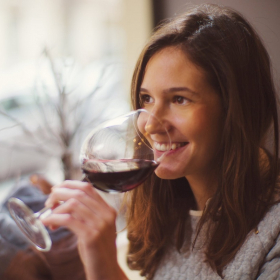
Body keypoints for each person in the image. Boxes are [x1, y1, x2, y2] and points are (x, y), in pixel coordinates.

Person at [42, 3, 280, 280]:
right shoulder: (167, 211)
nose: (151, 124)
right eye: (147, 99)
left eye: (179, 99)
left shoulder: (273, 233)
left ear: (235, 109)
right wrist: (98, 257)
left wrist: (104, 265)